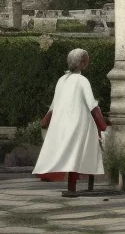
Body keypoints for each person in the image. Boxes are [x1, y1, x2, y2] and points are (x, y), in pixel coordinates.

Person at [33, 48, 107, 197]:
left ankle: (73, 187)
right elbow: (92, 105)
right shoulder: (82, 80)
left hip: (63, 124)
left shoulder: (61, 80)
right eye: (84, 61)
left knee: (71, 154)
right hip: (80, 123)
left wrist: (46, 120)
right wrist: (103, 125)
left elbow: (54, 105)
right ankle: (73, 187)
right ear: (80, 63)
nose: (86, 63)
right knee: (77, 154)